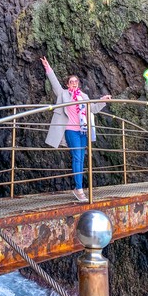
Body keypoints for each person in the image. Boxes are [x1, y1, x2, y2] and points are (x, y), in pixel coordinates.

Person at [40, 56, 111, 202]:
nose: (73, 83)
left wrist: (103, 100)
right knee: (77, 157)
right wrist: (48, 68)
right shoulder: (63, 94)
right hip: (70, 130)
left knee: (82, 158)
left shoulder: (83, 96)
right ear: (67, 85)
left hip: (83, 130)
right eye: (71, 82)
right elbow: (54, 83)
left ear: (78, 84)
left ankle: (78, 188)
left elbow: (94, 109)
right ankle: (79, 190)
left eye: (75, 81)